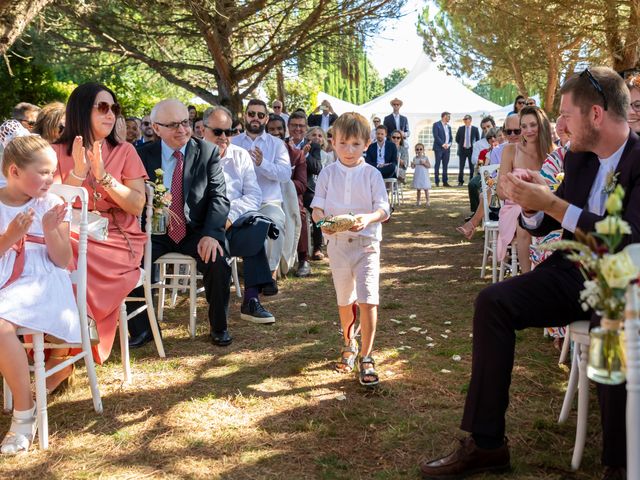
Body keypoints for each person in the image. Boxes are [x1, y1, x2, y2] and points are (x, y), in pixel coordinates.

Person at [420, 66, 638, 480]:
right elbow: (555, 225)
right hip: (572, 270)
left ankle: (620, 462)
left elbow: (626, 241)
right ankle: (487, 445)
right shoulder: (579, 158)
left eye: (566, 115)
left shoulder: (639, 159)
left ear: (595, 115)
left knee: (613, 325)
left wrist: (552, 204)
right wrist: (534, 204)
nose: (558, 125)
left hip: (623, 278)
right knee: (493, 302)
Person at [52, 82, 148, 386]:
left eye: (114, 108)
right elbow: (54, 205)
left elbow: (136, 205)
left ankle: (62, 354)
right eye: (102, 107)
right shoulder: (55, 152)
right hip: (72, 230)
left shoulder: (125, 150)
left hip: (118, 237)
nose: (111, 115)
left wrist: (103, 176)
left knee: (65, 250)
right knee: (51, 249)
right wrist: (79, 171)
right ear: (81, 109)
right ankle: (66, 338)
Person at [0, 135, 80, 455]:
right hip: (6, 276)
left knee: (0, 326)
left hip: (42, 282)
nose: (50, 179)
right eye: (43, 172)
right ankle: (25, 402)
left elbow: (63, 261)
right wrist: (9, 236)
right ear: (15, 171)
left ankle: (23, 413)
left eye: (53, 171)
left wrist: (49, 231)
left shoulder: (51, 205)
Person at [130, 99, 232, 346]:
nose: (183, 130)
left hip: (194, 230)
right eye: (173, 125)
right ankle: (143, 329)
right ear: (156, 128)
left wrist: (211, 233)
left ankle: (219, 326)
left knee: (217, 259)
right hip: (154, 232)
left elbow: (219, 196)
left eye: (185, 123)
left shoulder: (206, 152)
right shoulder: (140, 155)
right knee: (128, 260)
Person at [311, 112, 390, 387]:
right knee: (345, 300)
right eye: (343, 143)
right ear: (333, 142)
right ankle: (349, 342)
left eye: (355, 144)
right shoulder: (327, 173)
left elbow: (383, 208)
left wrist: (366, 219)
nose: (348, 150)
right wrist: (323, 222)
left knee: (369, 298)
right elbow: (317, 207)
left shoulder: (372, 174)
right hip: (338, 246)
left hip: (367, 244)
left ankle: (367, 356)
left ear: (366, 144)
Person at [203, 106, 277, 324]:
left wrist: (229, 216)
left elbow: (254, 195)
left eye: (230, 131)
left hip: (235, 221)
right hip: (206, 225)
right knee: (249, 231)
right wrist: (217, 220)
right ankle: (222, 308)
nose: (224, 137)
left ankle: (251, 300)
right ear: (203, 130)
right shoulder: (193, 155)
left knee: (257, 225)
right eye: (218, 132)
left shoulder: (240, 155)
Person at [231, 99, 291, 295]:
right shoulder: (234, 143)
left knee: (275, 224)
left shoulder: (277, 144)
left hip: (268, 201)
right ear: (245, 116)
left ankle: (270, 273)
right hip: (241, 203)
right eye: (251, 114)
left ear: (266, 118)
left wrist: (262, 163)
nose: (255, 118)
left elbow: (284, 175)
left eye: (260, 115)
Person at [496, 106, 553, 274]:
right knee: (524, 222)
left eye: (533, 125)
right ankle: (527, 277)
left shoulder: (553, 153)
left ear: (542, 126)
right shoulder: (510, 150)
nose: (528, 130)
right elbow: (500, 191)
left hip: (546, 204)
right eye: (524, 126)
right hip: (515, 206)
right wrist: (520, 192)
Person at [456, 116, 522, 240]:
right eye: (508, 132)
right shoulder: (498, 151)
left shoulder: (531, 149)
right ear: (504, 132)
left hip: (523, 195)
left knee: (489, 193)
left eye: (517, 131)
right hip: (502, 193)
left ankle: (474, 223)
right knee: (490, 188)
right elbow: (490, 179)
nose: (512, 135)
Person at [266, 114, 309, 276]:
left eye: (279, 129)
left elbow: (302, 184)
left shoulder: (296, 155)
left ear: (285, 131)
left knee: (300, 213)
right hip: (264, 197)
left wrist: (284, 184)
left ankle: (303, 259)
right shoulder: (259, 153)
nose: (275, 132)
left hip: (289, 197)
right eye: (271, 129)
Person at [455, 114, 480, 186]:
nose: (465, 120)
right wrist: (462, 144)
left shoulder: (475, 129)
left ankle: (471, 181)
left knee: (471, 167)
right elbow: (457, 139)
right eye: (464, 119)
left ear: (470, 120)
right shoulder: (461, 128)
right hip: (462, 150)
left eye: (466, 119)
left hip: (471, 150)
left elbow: (478, 139)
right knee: (461, 167)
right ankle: (460, 181)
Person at [432, 112, 452, 187]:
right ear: (444, 116)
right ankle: (437, 181)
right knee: (437, 164)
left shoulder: (449, 127)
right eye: (448, 116)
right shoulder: (436, 125)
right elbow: (436, 136)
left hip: (447, 149)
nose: (449, 118)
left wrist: (448, 145)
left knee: (445, 165)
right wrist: (443, 144)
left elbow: (451, 138)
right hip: (438, 148)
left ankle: (445, 182)